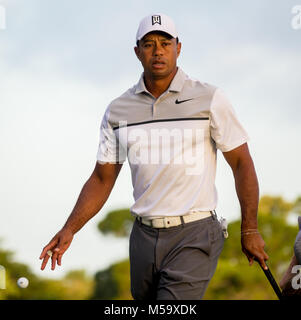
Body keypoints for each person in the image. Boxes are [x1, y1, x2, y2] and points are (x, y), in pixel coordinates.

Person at [40, 13, 269, 300]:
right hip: (143, 239)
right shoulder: (118, 110)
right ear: (137, 52)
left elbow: (241, 162)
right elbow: (102, 178)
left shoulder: (209, 98)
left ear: (178, 47)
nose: (158, 50)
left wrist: (249, 229)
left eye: (165, 42)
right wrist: (69, 229)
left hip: (195, 234)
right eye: (148, 44)